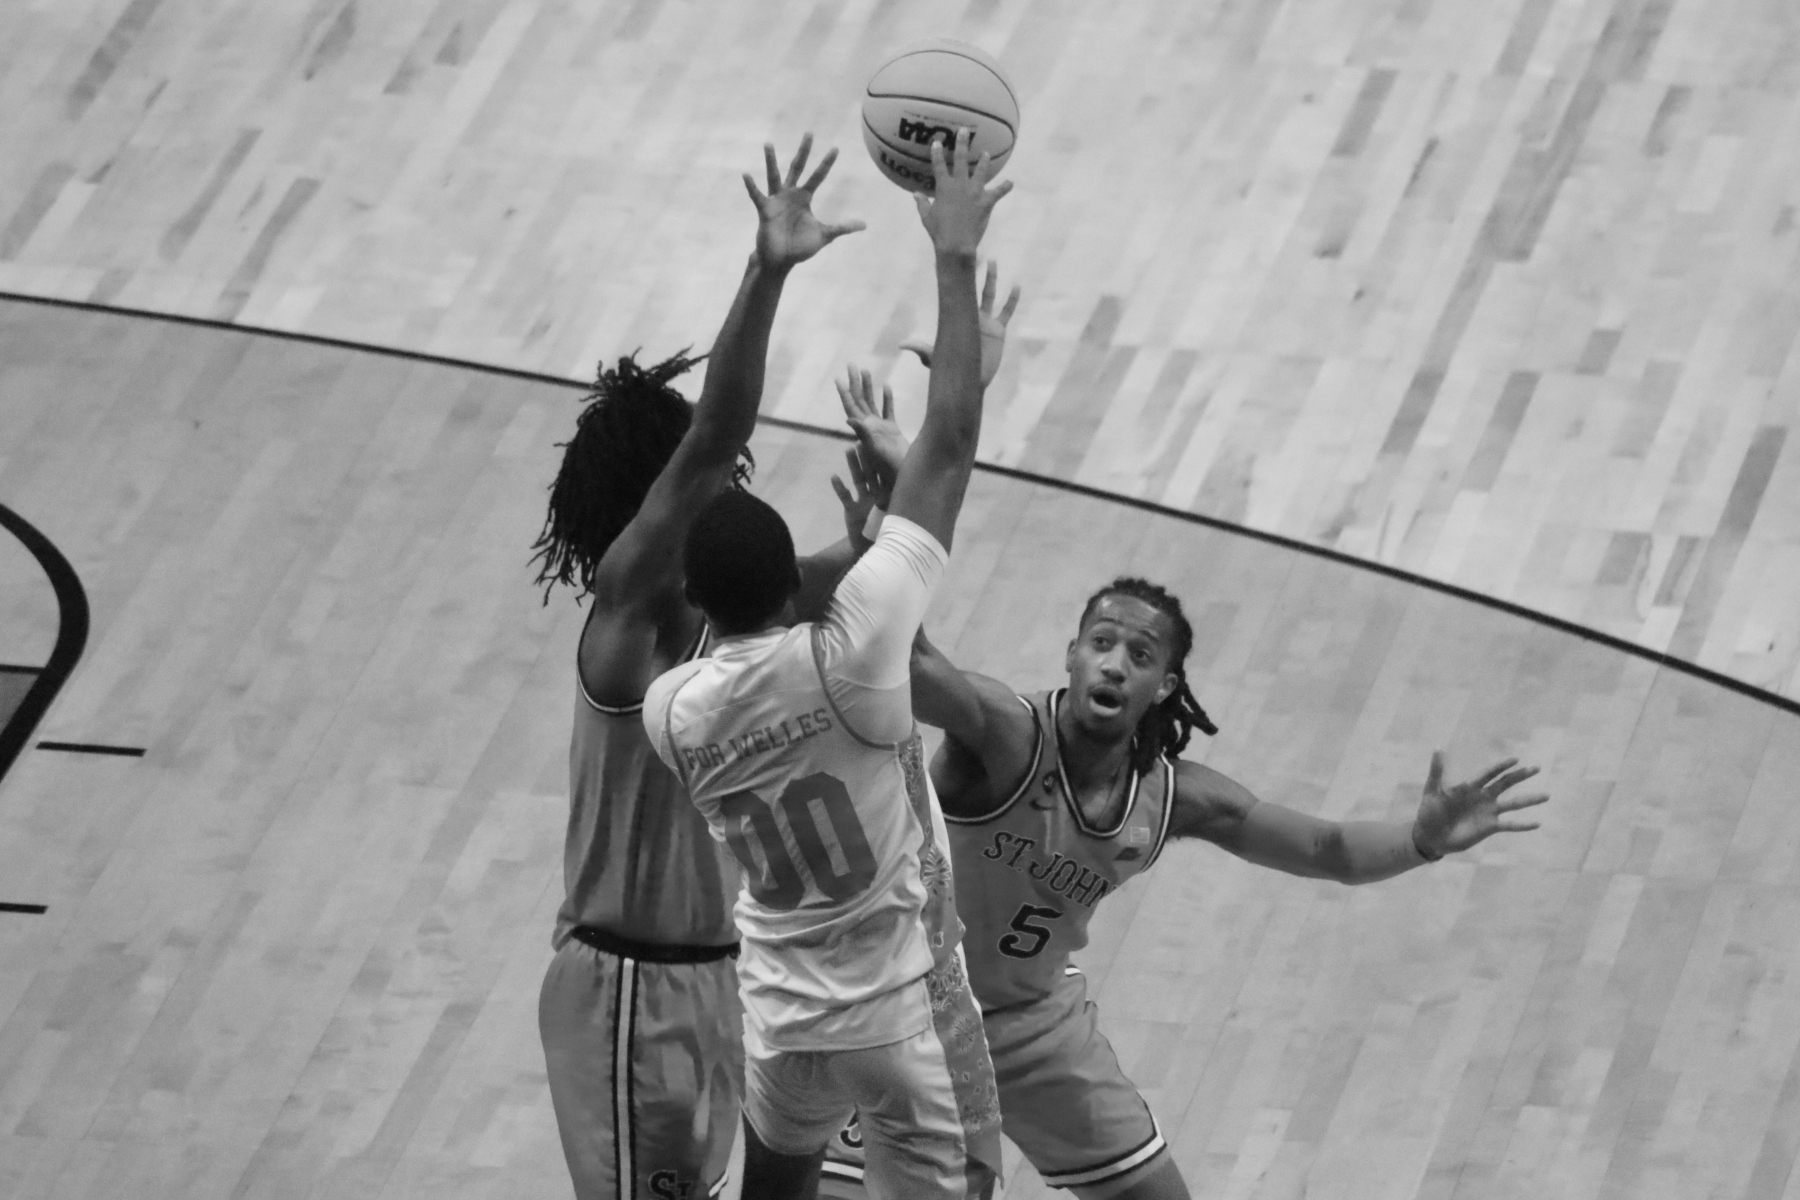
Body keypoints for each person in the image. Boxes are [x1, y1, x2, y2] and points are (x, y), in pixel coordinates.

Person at [892, 577, 1551, 1200]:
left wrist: (1421, 841)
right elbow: (909, 659)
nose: (1114, 665)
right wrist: (885, 540)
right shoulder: (1004, 732)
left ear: (1163, 685)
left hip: (1032, 1024)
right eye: (1101, 643)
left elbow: (1326, 850)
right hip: (904, 1004)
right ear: (1072, 654)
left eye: (1139, 655)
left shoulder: (1176, 798)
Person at [643, 128, 1013, 1200]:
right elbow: (949, 448)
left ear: (697, 602)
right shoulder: (855, 653)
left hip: (783, 1022)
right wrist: (951, 254)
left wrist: (854, 555)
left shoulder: (674, 711)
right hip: (902, 1015)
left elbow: (759, 628)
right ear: (800, 582)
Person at [529, 134, 864, 1200]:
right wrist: (766, 274)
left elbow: (827, 579)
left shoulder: (718, 623)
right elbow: (716, 437)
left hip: (721, 981)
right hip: (630, 989)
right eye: (694, 479)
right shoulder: (626, 616)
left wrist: (877, 527)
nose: (720, 485)